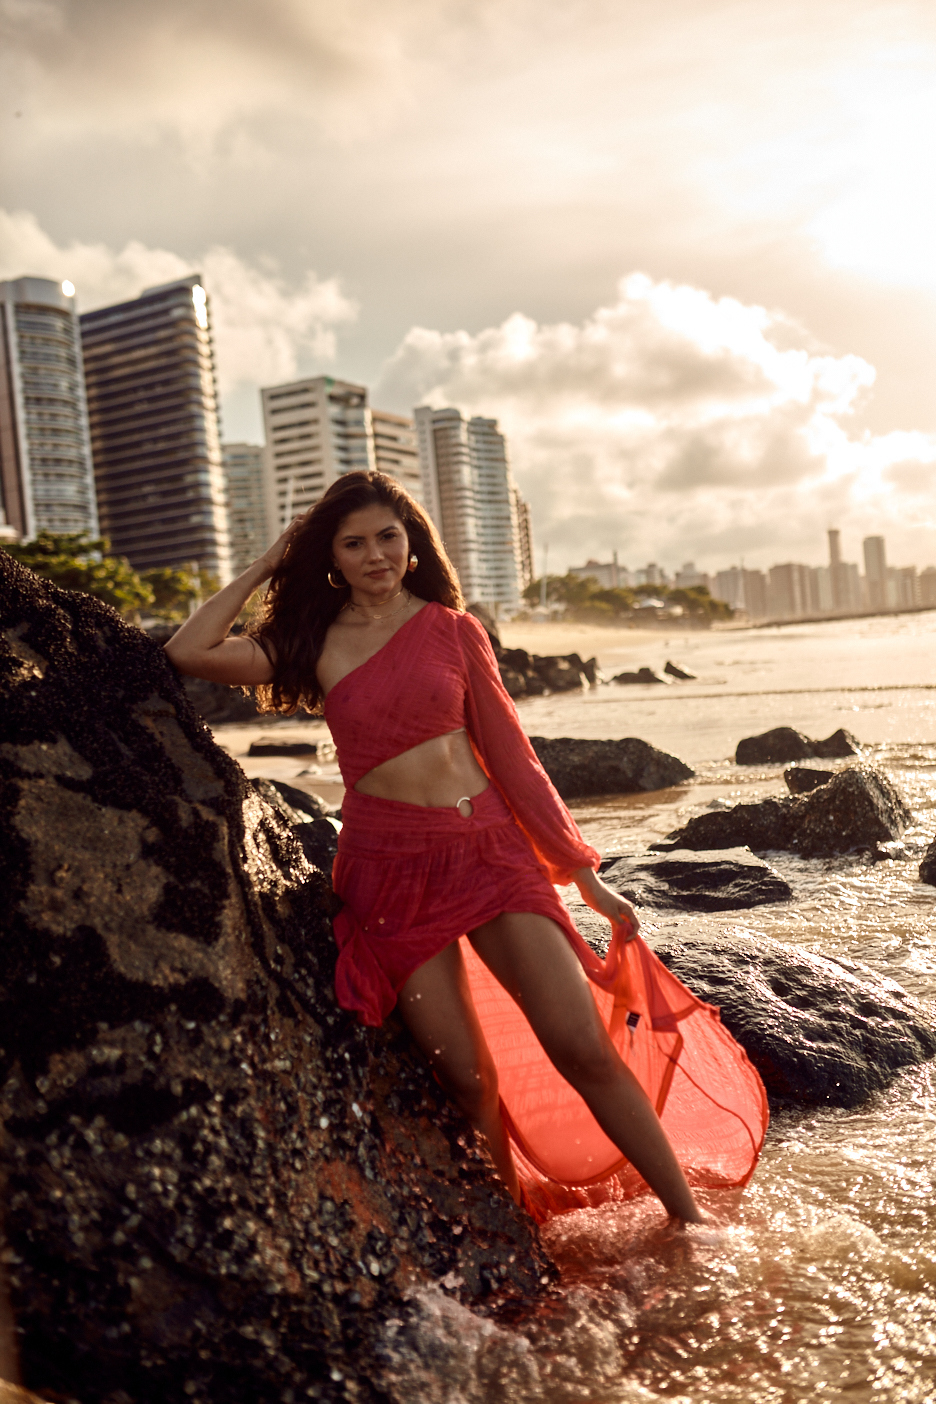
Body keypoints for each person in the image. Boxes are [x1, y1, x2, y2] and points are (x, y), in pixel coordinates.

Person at [166, 471, 766, 1223]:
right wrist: (267, 561)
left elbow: (515, 759)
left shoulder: (453, 630)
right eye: (353, 543)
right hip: (389, 872)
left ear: (412, 540)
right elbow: (190, 651)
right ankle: (512, 1239)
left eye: (389, 535)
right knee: (468, 1081)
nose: (377, 554)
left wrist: (585, 878)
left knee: (579, 1046)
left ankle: (689, 1219)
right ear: (331, 558)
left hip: (488, 853)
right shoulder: (309, 640)